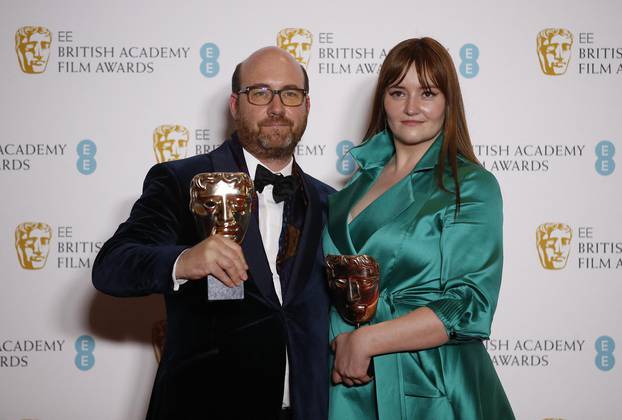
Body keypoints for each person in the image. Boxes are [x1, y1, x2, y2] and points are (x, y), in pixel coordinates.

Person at [92, 46, 334, 420]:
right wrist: (184, 260)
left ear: (306, 106)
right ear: (235, 105)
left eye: (290, 93)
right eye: (260, 93)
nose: (277, 107)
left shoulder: (329, 201)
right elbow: (112, 266)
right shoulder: (180, 180)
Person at [324, 37, 515, 419]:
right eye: (398, 92)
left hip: (431, 382)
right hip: (348, 383)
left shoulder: (470, 185)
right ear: (384, 100)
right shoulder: (350, 189)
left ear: (448, 102)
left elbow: (468, 304)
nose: (411, 107)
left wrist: (366, 341)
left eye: (427, 92)